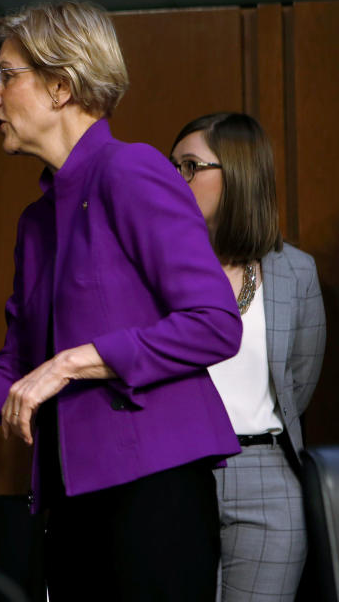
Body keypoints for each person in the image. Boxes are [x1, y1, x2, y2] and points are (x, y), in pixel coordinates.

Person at [0, 0, 243, 601]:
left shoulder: (132, 172)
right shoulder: (37, 221)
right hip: (72, 503)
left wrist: (71, 362)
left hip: (153, 494)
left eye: (5, 76)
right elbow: (20, 369)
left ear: (60, 86)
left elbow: (213, 324)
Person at [171, 112, 325, 601]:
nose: (177, 180)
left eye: (191, 166)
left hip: (267, 475)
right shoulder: (155, 265)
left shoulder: (295, 272)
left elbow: (299, 382)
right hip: (174, 471)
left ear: (237, 173)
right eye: (172, 166)